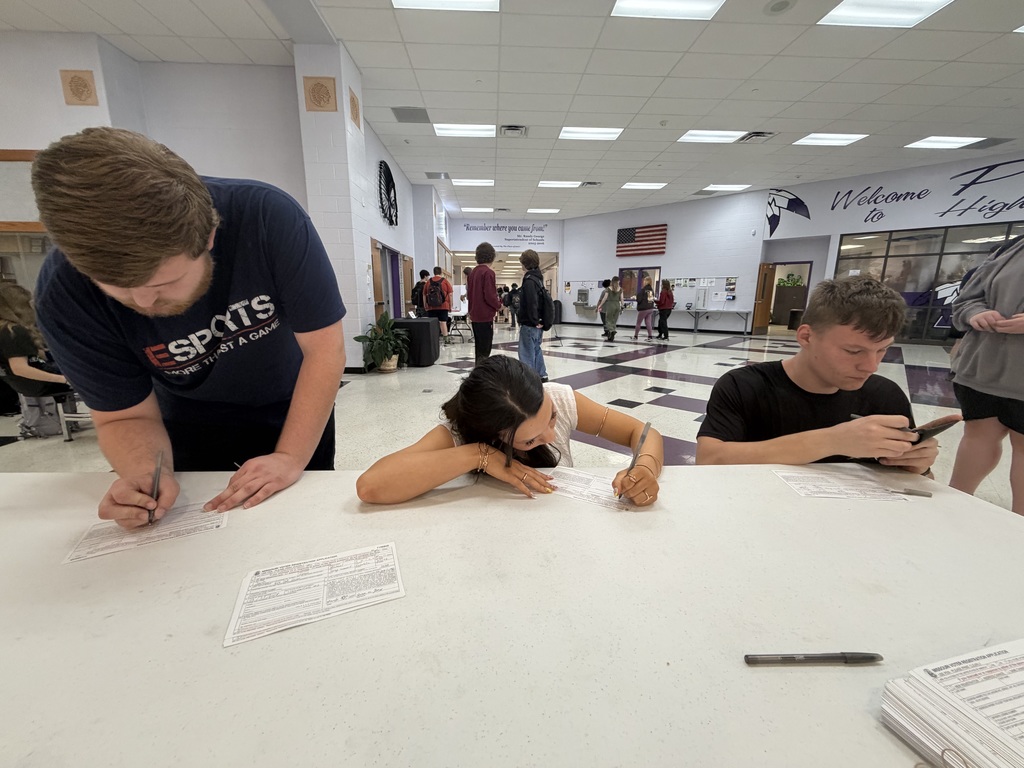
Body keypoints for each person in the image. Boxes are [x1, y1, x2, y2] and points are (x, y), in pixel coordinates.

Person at [31, 127, 346, 528]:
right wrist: (145, 475)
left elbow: (324, 350)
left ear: (210, 236)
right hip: (183, 420)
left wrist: (289, 457)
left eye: (162, 284)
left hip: (295, 403)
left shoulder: (268, 217)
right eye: (120, 289)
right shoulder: (63, 294)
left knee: (299, 526)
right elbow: (123, 417)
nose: (144, 303)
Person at [696, 277, 943, 474]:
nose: (871, 366)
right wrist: (833, 441)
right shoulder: (745, 386)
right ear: (806, 337)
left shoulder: (884, 396)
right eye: (853, 351)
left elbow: (918, 484)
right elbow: (710, 459)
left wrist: (918, 466)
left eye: (882, 350)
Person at [356, 355, 663, 506]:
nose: (551, 437)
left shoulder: (559, 397)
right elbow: (371, 486)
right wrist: (479, 455)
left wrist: (645, 468)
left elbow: (642, 431)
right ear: (491, 432)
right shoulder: (460, 432)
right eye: (530, 440)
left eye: (552, 418)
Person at [949, 236, 1024, 515]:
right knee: (978, 435)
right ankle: (952, 509)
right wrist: (976, 314)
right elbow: (966, 300)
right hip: (983, 369)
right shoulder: (1010, 249)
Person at [0, 282, 74, 398]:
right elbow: (19, 368)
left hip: (23, 384)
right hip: (41, 384)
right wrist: (63, 379)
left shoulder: (5, 330)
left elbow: (35, 355)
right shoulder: (14, 331)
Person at [466, 242, 503, 363]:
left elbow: (470, 294)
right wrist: (499, 306)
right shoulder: (488, 273)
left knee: (479, 348)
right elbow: (489, 295)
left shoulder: (472, 274)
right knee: (485, 349)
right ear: (491, 256)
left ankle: (478, 371)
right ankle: (482, 376)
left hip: (474, 315)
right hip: (485, 316)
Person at [517, 249, 549, 382]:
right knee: (536, 349)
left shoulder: (529, 280)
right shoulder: (538, 278)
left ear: (524, 264)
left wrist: (533, 320)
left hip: (530, 323)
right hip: (537, 323)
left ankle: (529, 379)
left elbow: (531, 302)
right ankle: (541, 374)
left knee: (526, 352)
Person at [423, 266, 453, 342]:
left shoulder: (429, 282)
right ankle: (446, 339)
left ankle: (433, 339)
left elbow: (424, 294)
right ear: (441, 272)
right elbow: (450, 294)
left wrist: (425, 305)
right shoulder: (445, 281)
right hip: (443, 306)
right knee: (443, 322)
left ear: (434, 272)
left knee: (432, 323)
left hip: (431, 306)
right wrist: (450, 305)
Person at [596, 276, 622, 342]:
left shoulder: (606, 290)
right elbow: (621, 299)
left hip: (607, 307)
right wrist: (622, 306)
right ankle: (611, 331)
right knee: (613, 321)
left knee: (606, 321)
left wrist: (598, 306)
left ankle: (609, 331)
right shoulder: (619, 289)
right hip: (617, 306)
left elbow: (602, 299)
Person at [633, 276, 656, 341]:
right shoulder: (651, 290)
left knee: (638, 323)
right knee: (648, 322)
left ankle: (635, 336)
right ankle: (650, 336)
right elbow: (650, 300)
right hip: (650, 308)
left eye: (644, 281)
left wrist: (635, 298)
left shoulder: (643, 290)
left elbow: (639, 300)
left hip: (643, 309)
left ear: (646, 281)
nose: (643, 282)